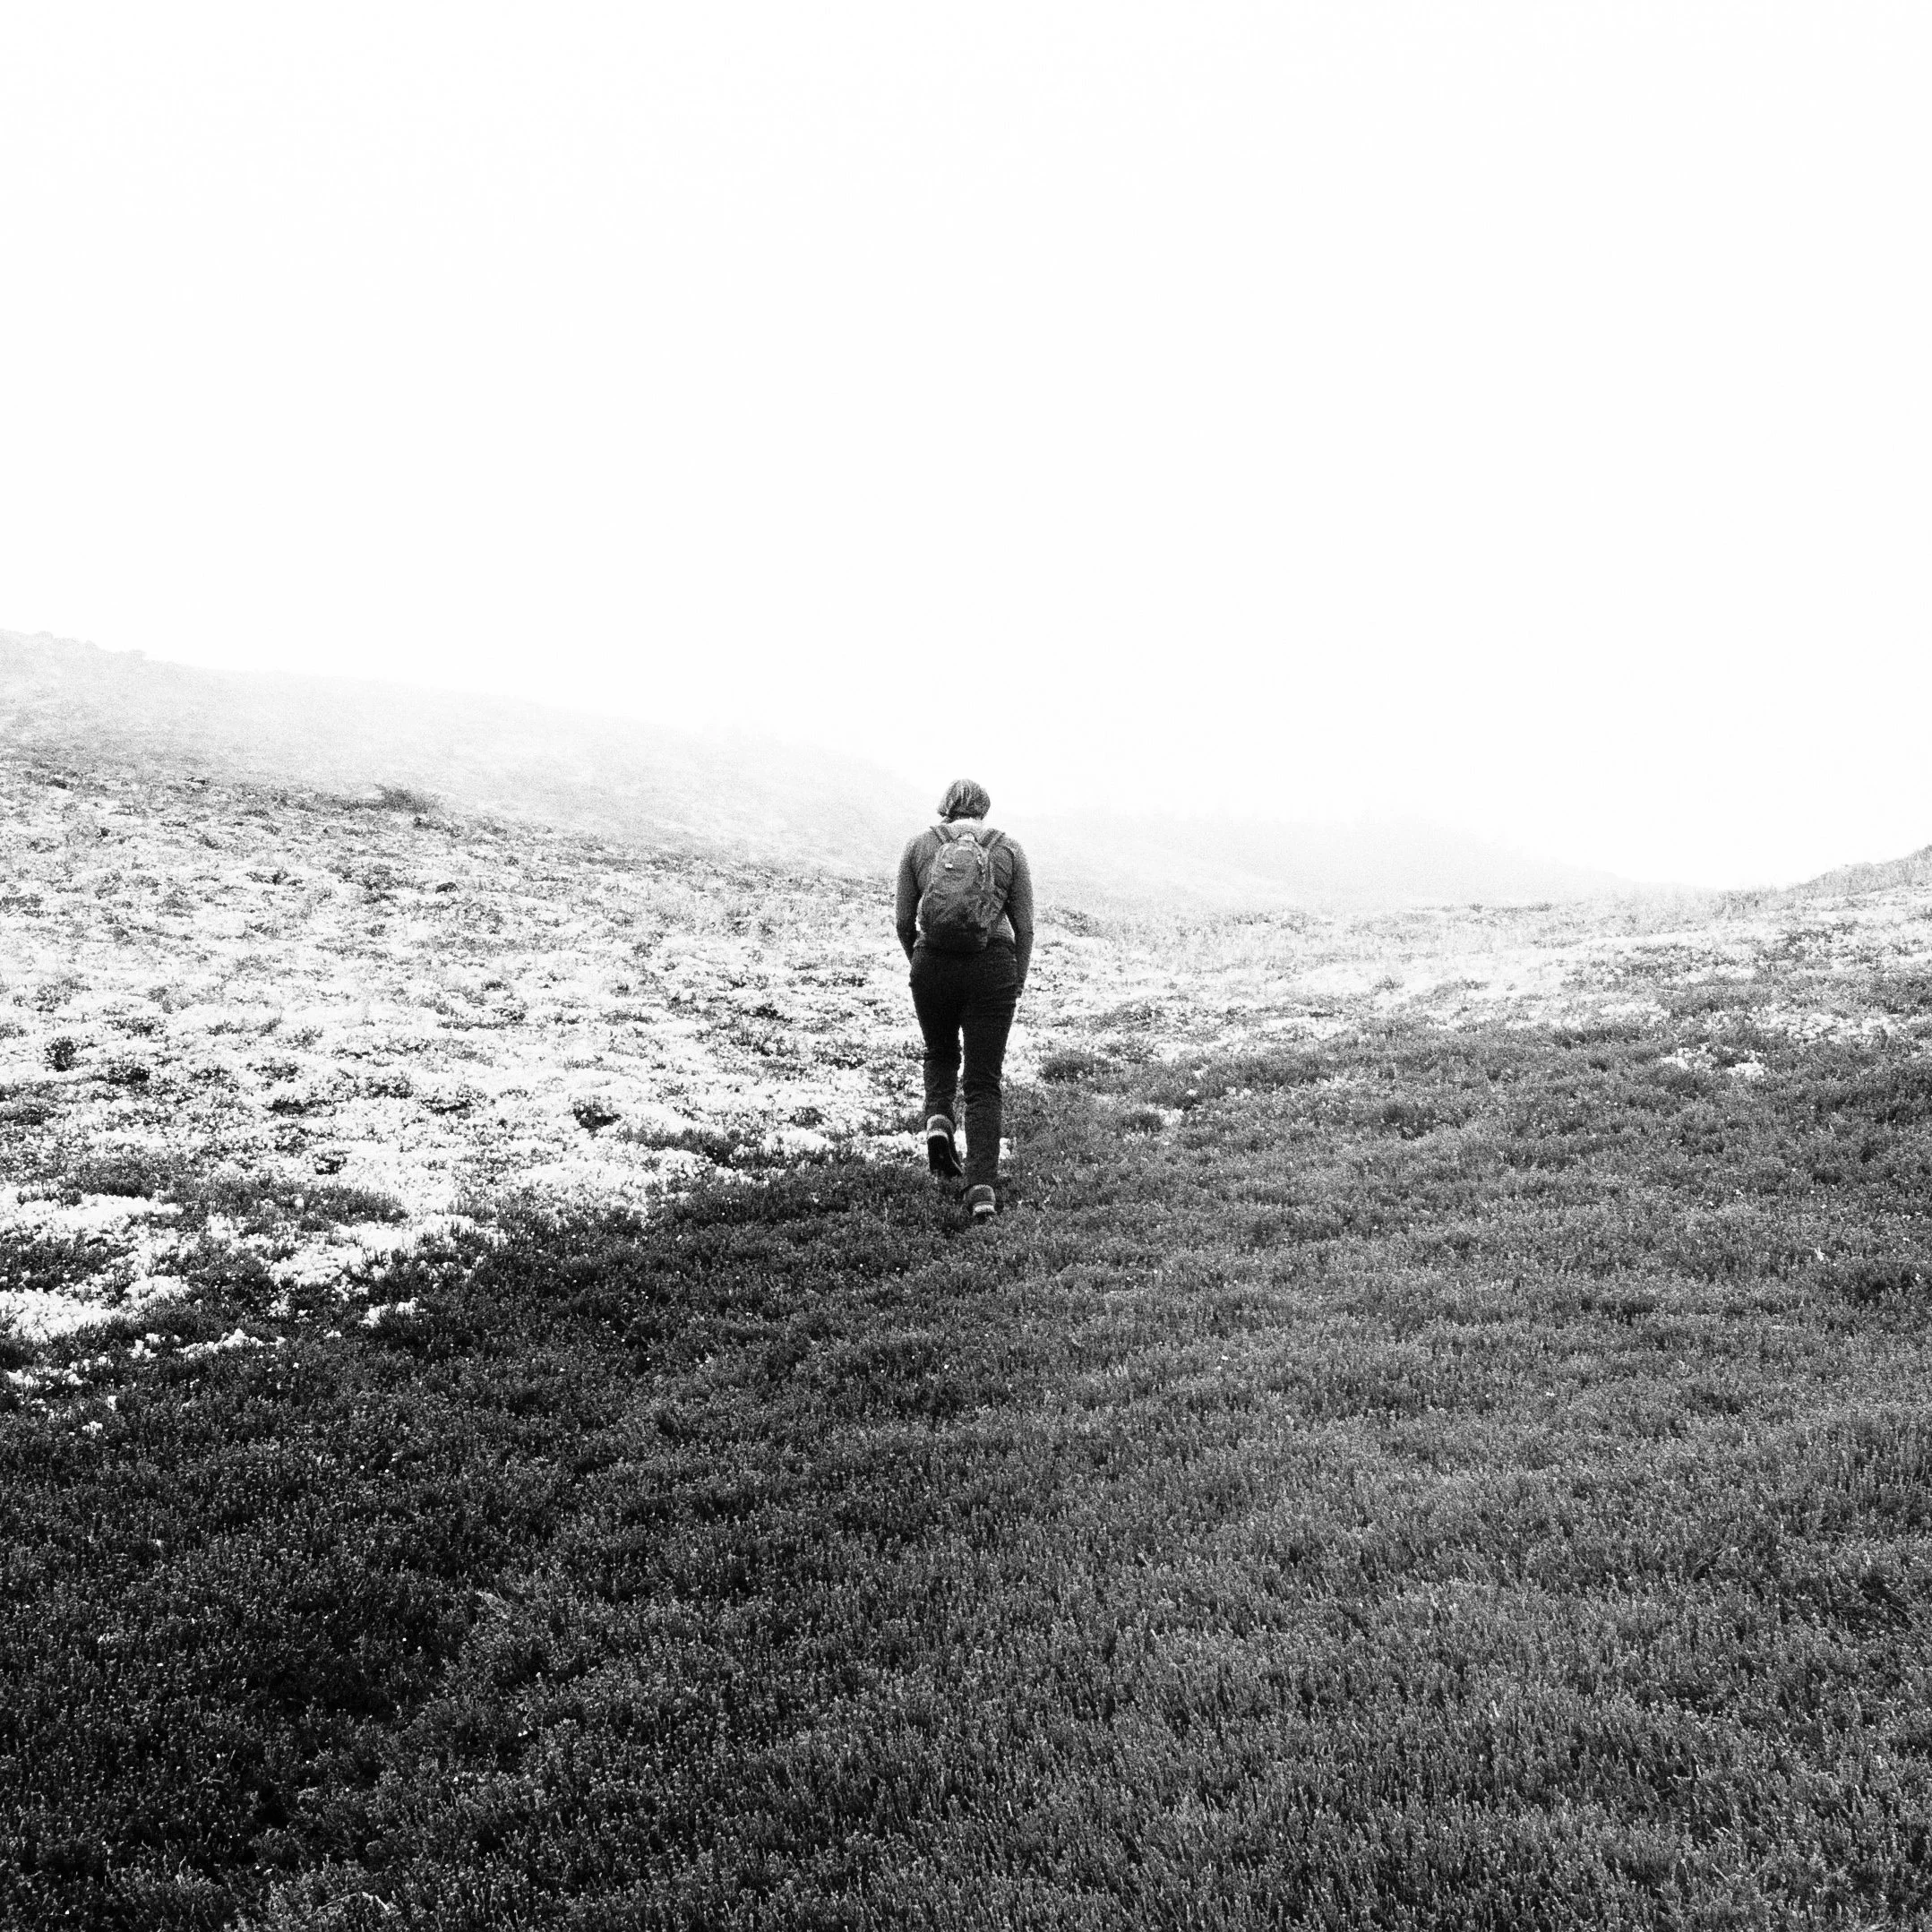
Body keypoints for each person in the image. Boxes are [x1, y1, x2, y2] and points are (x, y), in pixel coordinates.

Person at [896, 778, 1035, 1222]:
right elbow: (1025, 926)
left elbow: (903, 918)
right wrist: (1017, 977)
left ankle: (939, 1121)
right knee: (982, 1081)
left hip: (932, 964)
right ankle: (981, 1190)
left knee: (939, 1052)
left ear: (945, 809)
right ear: (984, 810)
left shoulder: (920, 846)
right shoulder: (1009, 849)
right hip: (992, 966)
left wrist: (919, 958)